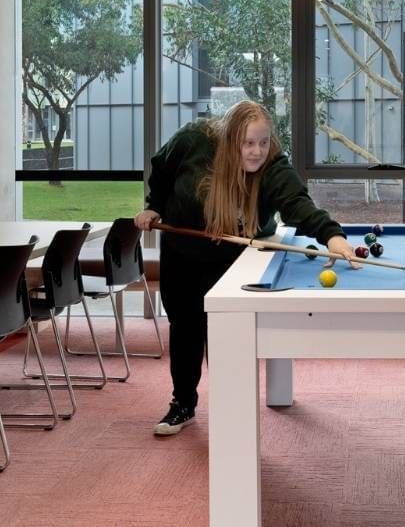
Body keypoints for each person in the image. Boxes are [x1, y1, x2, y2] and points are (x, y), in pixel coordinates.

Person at [135, 100, 354, 436]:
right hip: (183, 252)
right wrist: (153, 208)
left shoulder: (273, 165)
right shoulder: (193, 140)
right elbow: (161, 170)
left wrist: (332, 235)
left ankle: (229, 411)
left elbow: (296, 203)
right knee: (185, 326)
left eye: (263, 143)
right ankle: (183, 404)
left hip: (235, 257)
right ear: (230, 140)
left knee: (223, 333)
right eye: (248, 143)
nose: (256, 152)